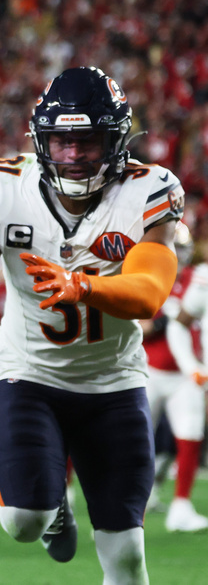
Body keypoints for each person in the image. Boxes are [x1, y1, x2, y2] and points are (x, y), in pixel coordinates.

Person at [0, 66, 184, 584]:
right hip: (29, 374)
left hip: (111, 382)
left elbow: (150, 295)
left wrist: (85, 286)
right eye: (62, 141)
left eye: (88, 142)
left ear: (116, 142)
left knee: (127, 556)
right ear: (42, 141)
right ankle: (54, 512)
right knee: (22, 520)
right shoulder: (4, 186)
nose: (73, 155)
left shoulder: (148, 190)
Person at [143, 221, 208, 531]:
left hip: (186, 372)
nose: (179, 255)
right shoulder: (152, 278)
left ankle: (181, 506)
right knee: (135, 440)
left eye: (183, 248)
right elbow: (140, 327)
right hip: (149, 369)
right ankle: (123, 507)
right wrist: (164, 319)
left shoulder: (199, 279)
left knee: (191, 435)